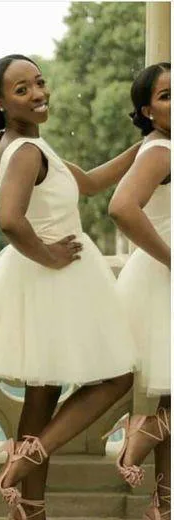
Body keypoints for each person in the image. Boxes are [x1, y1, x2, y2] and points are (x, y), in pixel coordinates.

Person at [0, 54, 138, 519]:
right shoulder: (26, 151)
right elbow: (9, 220)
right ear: (0, 102)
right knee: (117, 377)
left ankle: (29, 509)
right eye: (23, 89)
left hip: (45, 276)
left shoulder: (25, 144)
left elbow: (88, 183)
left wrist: (148, 144)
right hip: (54, 273)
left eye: (40, 82)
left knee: (42, 390)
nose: (39, 93)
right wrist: (49, 256)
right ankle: (33, 451)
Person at [108, 62, 171, 520]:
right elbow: (121, 207)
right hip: (164, 279)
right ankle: (149, 426)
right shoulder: (159, 151)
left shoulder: (154, 146)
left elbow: (91, 182)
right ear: (147, 110)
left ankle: (164, 503)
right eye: (166, 95)